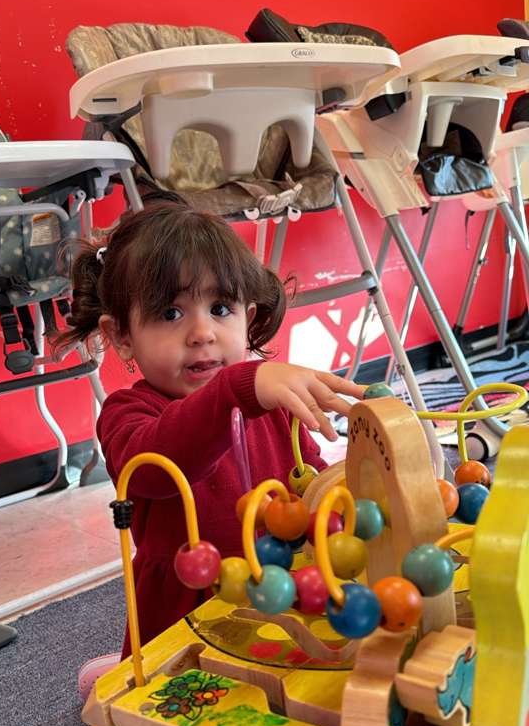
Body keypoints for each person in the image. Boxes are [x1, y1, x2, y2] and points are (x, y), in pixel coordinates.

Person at [55, 196, 364, 694]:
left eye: (221, 309)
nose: (202, 333)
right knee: (181, 703)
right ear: (122, 336)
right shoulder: (127, 414)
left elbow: (311, 487)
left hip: (274, 589)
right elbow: (155, 467)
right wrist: (233, 389)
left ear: (249, 317)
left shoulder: (271, 402)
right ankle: (121, 669)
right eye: (170, 313)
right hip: (182, 612)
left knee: (284, 691)